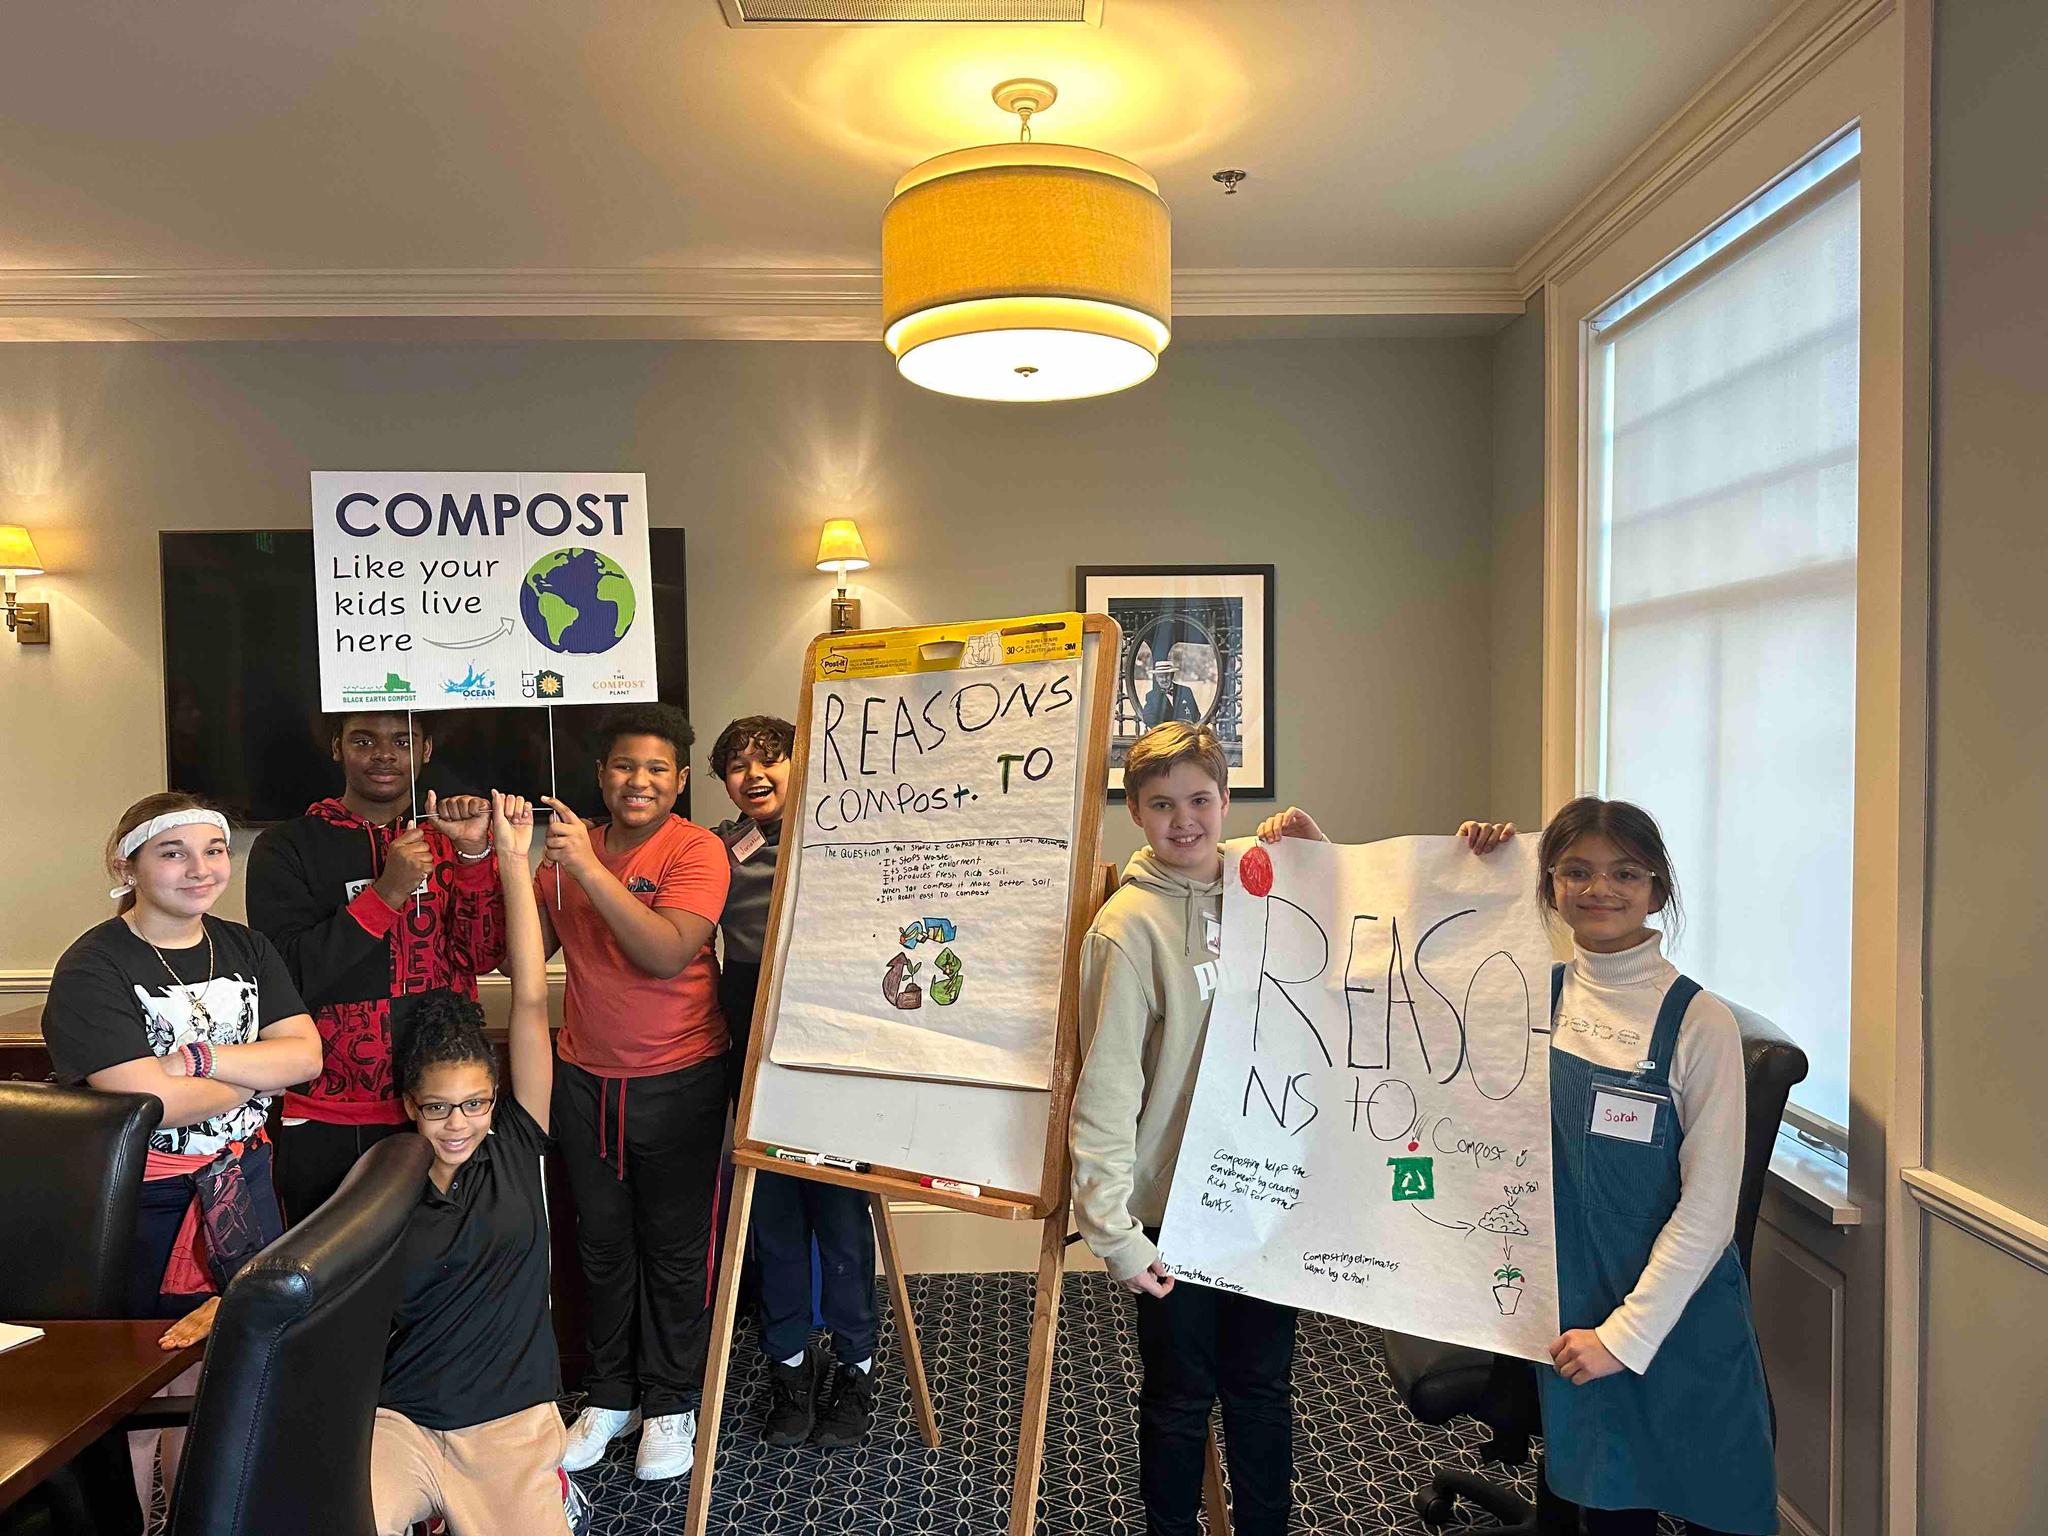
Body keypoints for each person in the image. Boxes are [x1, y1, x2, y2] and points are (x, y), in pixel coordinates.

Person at [43, 793, 324, 1518]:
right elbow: (150, 1104)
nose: (200, 869)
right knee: (141, 1380)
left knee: (219, 1373)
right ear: (126, 866)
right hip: (141, 1206)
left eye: (214, 850)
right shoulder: (93, 966)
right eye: (173, 853)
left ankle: (198, 1517)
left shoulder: (246, 947)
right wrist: (253, 1073)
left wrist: (196, 1059)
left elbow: (305, 1057)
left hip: (240, 1182)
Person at [1521, 796, 1776, 1536]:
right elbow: (1401, 984)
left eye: (1625, 873)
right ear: (1551, 886)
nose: (1599, 889)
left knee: (1717, 1507)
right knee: (1608, 1508)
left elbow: (1710, 1210)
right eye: (1576, 871)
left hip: (1676, 1310)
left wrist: (1625, 1337)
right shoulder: (1535, 1000)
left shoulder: (1700, 1022)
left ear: (1657, 889)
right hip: (1575, 1309)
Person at [371, 792, 588, 1536]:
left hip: (510, 1426)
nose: (458, 1124)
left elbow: (529, 998)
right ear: (411, 1105)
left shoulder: (517, 1143)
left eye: (475, 1104)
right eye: (438, 1108)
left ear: (496, 1098)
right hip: (403, 1422)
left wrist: (511, 859)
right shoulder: (385, 1183)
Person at [543, 703, 732, 1481]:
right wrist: (496, 860)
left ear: (680, 780)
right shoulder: (567, 849)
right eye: (625, 765)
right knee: (602, 1245)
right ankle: (611, 1396)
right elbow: (515, 952)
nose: (639, 781)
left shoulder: (697, 849)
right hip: (586, 1078)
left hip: (680, 1077)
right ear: (601, 774)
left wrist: (588, 869)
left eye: (657, 768)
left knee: (676, 1251)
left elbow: (665, 952)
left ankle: (671, 1401)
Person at [246, 712, 506, 1223]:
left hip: (443, 1108)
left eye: (402, 740)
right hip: (330, 1111)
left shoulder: (451, 838)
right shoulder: (286, 845)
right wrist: (387, 891)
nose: (384, 754)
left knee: (440, 1258)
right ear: (337, 747)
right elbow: (290, 973)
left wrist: (475, 853)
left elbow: (483, 955)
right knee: (330, 1262)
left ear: (426, 750)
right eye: (364, 740)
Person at [708, 714, 880, 1450]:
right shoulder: (717, 849)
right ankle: (788, 1369)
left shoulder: (848, 834)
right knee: (772, 1220)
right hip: (751, 1031)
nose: (755, 774)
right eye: (737, 765)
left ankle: (857, 1368)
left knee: (840, 1219)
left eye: (771, 759)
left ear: (801, 761)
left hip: (832, 1033)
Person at [1138, 660, 1201, 729]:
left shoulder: (1185, 691)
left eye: (1167, 675)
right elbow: (1148, 718)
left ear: (1172, 675)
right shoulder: (1152, 696)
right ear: (1156, 678)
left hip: (1186, 732)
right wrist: (1166, 730)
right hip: (1166, 734)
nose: (1164, 679)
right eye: (1161, 676)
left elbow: (1196, 715)